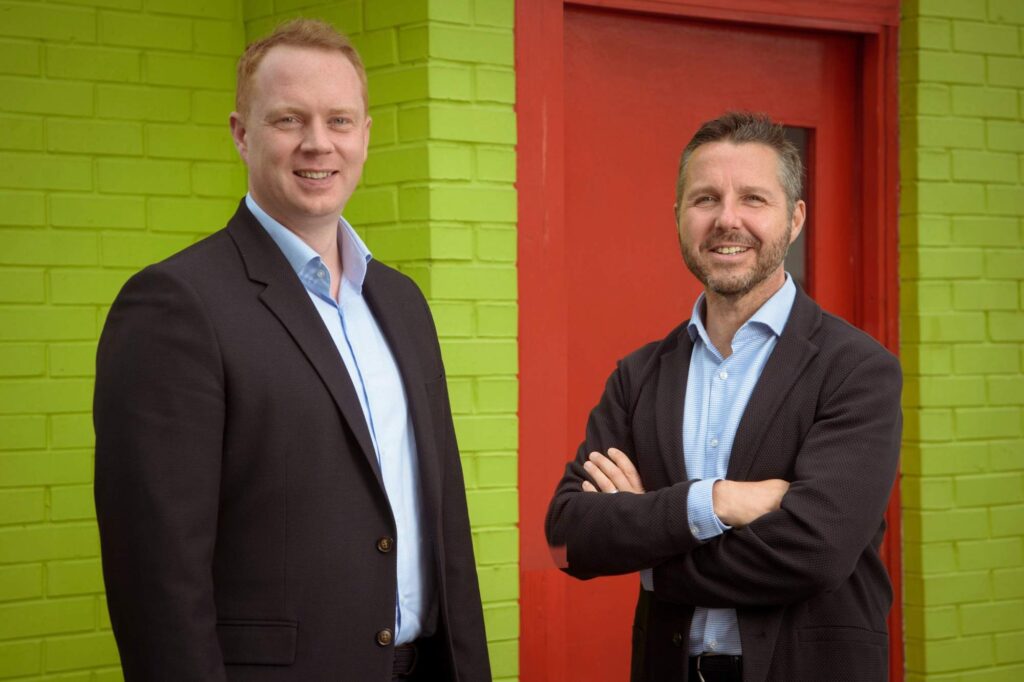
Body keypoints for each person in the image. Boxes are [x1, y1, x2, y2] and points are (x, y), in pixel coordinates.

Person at [94, 19, 490, 681]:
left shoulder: (402, 303)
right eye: (288, 119)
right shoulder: (176, 306)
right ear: (241, 134)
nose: (318, 143)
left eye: (339, 120)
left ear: (365, 135)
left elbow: (445, 525)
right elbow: (157, 578)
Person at [545, 112, 902, 682]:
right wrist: (716, 503)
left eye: (753, 199)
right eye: (706, 199)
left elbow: (817, 552)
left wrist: (652, 553)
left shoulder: (856, 370)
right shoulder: (639, 376)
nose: (727, 219)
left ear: (795, 219)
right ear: (679, 217)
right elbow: (567, 539)